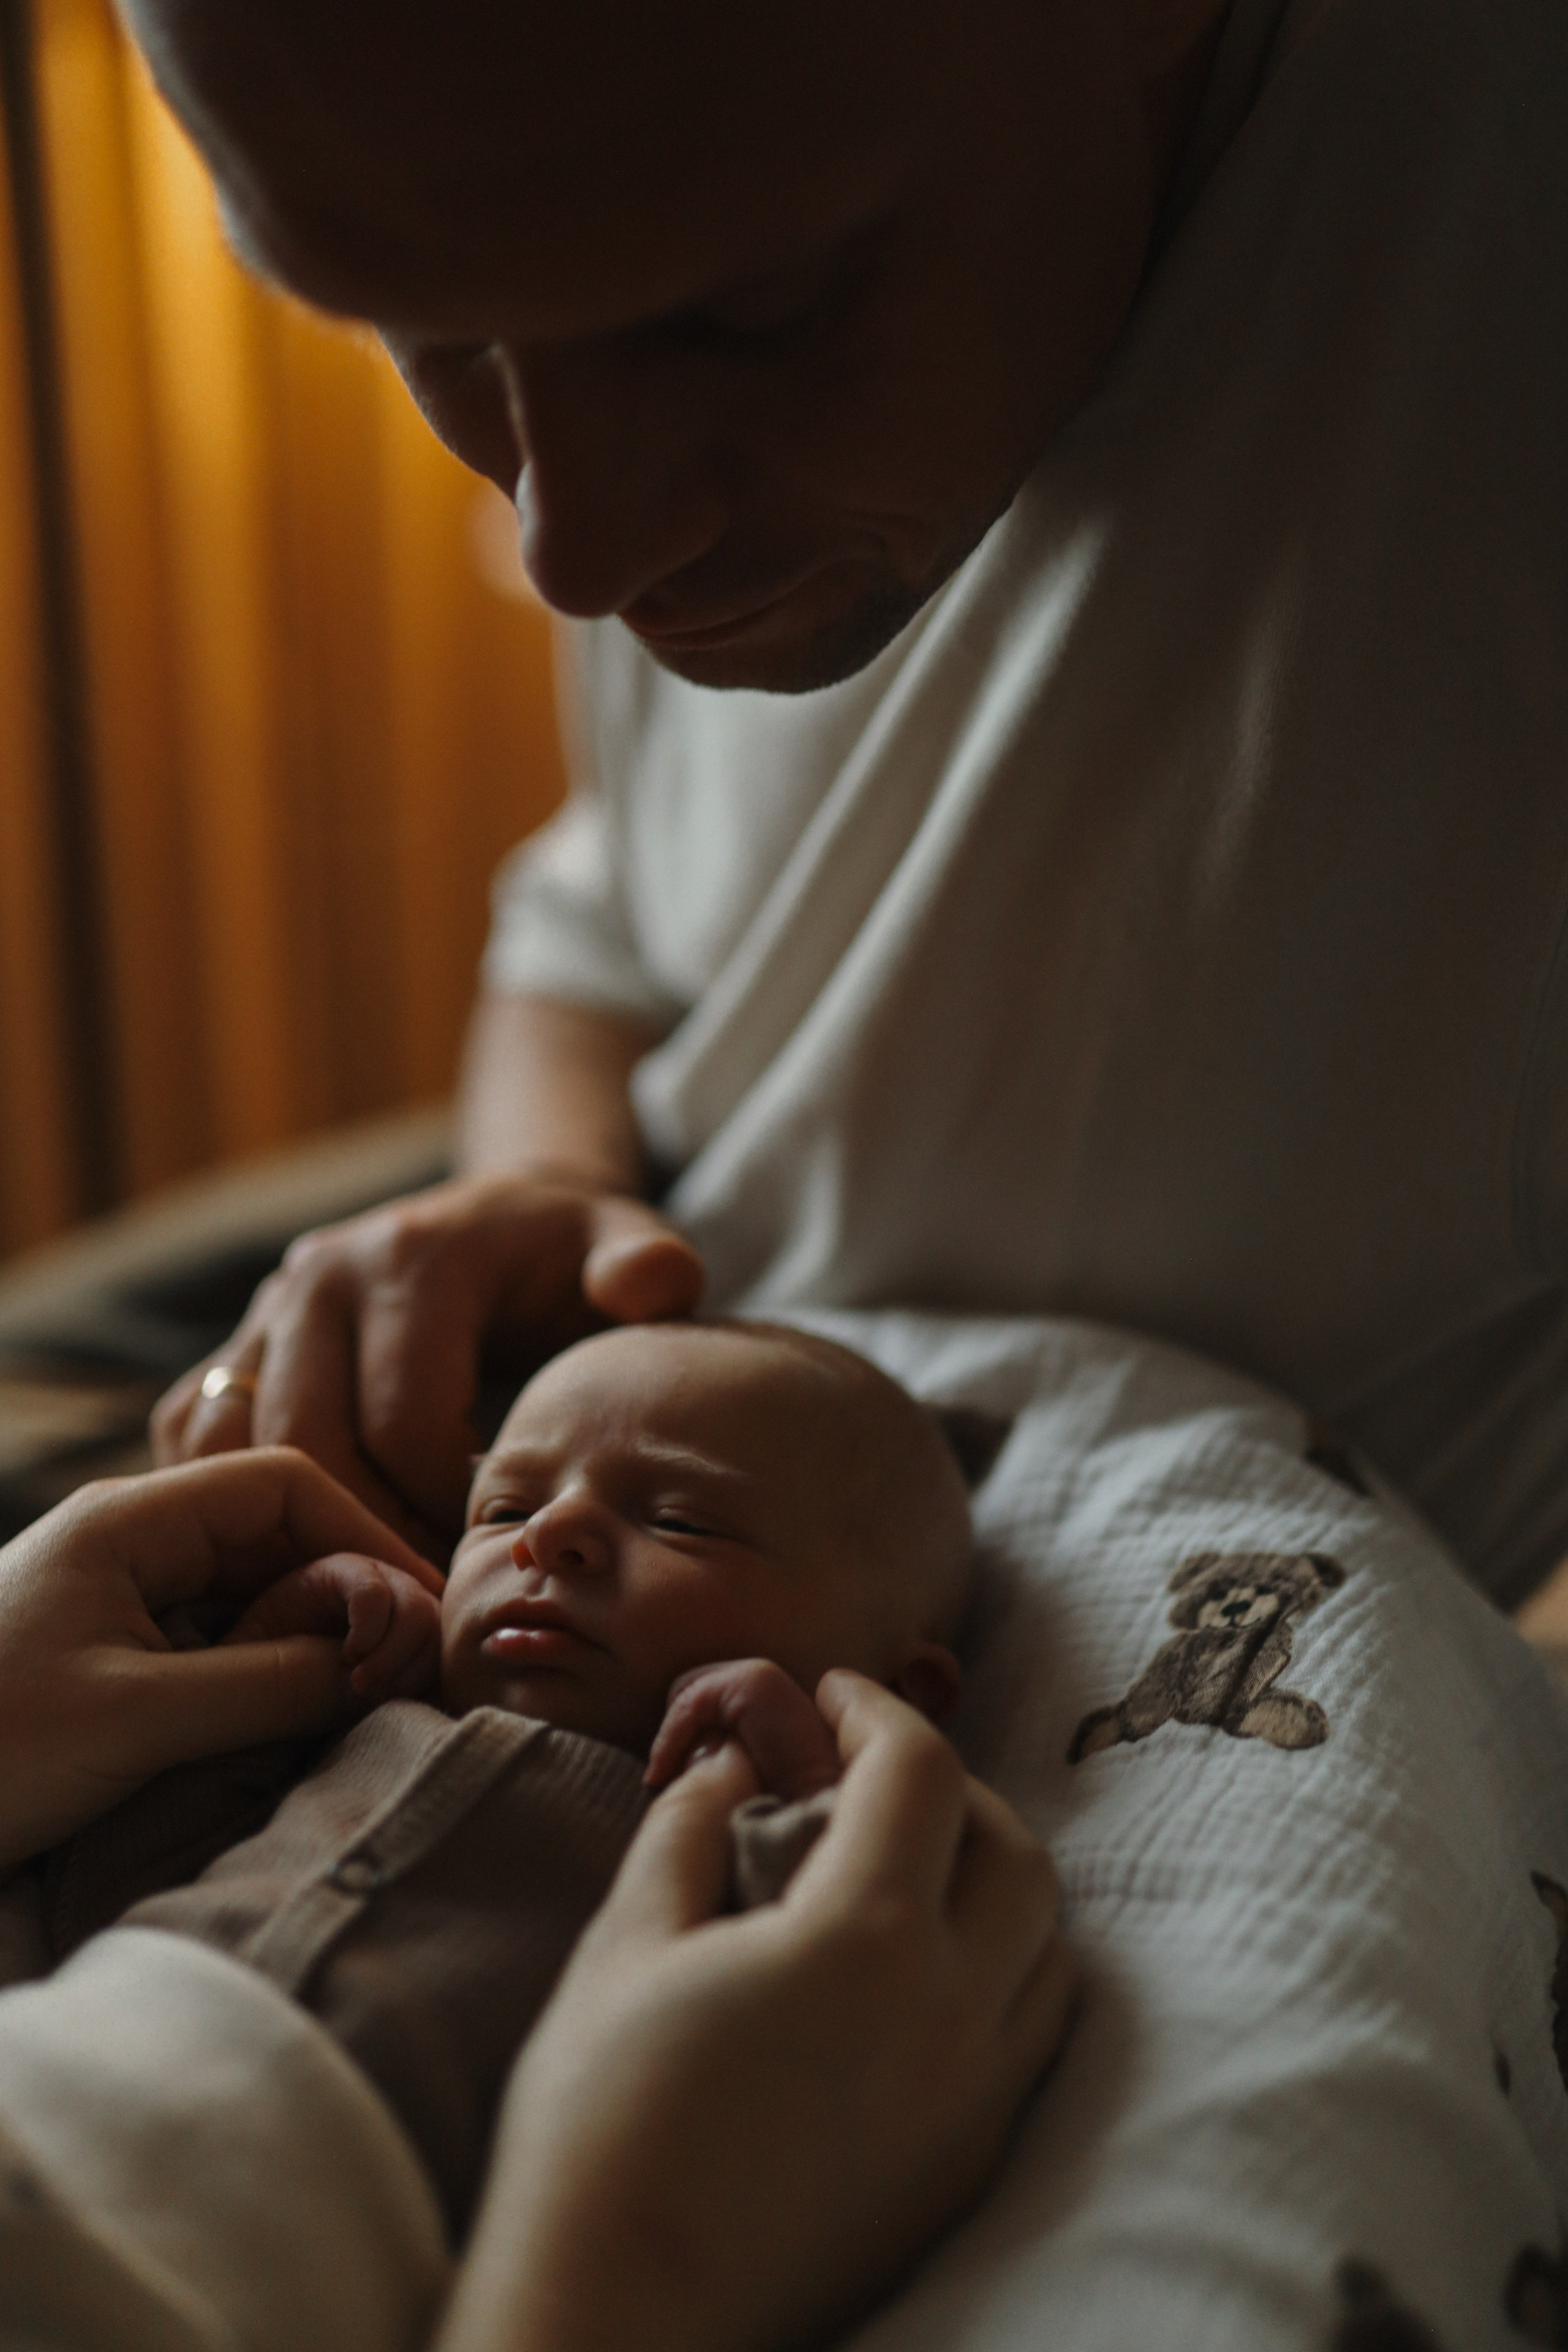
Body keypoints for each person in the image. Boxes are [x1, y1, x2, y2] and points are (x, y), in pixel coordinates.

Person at [132, 0, 1568, 1625]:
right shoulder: (614, 234)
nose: (575, 558)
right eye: (421, 333)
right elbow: (600, 923)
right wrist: (530, 1189)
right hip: (619, 1297)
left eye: (746, 316)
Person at [0, 1444, 1072, 2352]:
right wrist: (257, 1662)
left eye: (683, 1520)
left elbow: (831, 2015)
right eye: (503, 1507)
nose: (548, 1535)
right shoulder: (356, 1741)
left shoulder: (713, 1841)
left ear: (900, 1681)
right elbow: (113, 1887)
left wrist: (803, 1772)